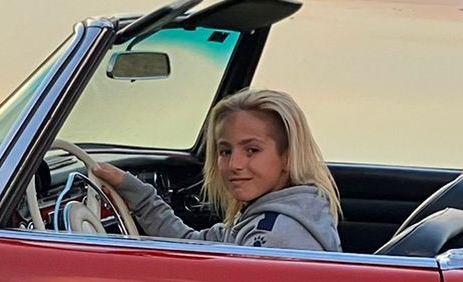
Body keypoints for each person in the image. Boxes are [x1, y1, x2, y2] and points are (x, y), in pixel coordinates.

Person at [92, 87, 342, 252]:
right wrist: (137, 194)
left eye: (252, 150)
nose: (234, 164)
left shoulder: (273, 237)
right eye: (225, 151)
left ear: (287, 157)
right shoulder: (260, 219)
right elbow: (190, 245)